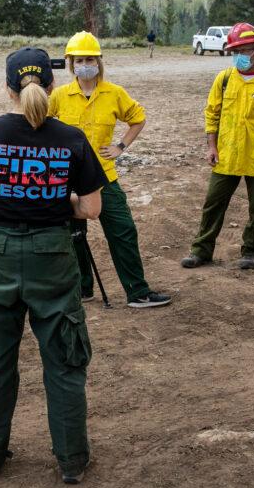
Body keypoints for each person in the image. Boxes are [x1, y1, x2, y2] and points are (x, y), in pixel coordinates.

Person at [0, 47, 107, 485]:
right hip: (54, 256)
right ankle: (71, 460)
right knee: (63, 361)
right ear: (53, 84)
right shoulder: (71, 138)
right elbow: (92, 208)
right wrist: (58, 199)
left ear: (8, 88)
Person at [48, 31, 171, 308]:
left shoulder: (114, 93)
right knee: (73, 235)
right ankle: (82, 289)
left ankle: (137, 291)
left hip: (104, 176)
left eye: (90, 58)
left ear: (99, 61)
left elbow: (138, 119)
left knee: (123, 230)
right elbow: (40, 124)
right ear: (71, 64)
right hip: (68, 179)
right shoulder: (59, 96)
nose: (85, 64)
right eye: (79, 60)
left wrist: (120, 147)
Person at [181, 22, 254, 270]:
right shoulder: (223, 79)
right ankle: (201, 250)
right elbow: (212, 115)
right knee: (213, 203)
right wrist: (211, 147)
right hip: (226, 155)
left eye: (245, 49)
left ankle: (251, 251)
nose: (241, 55)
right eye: (236, 50)